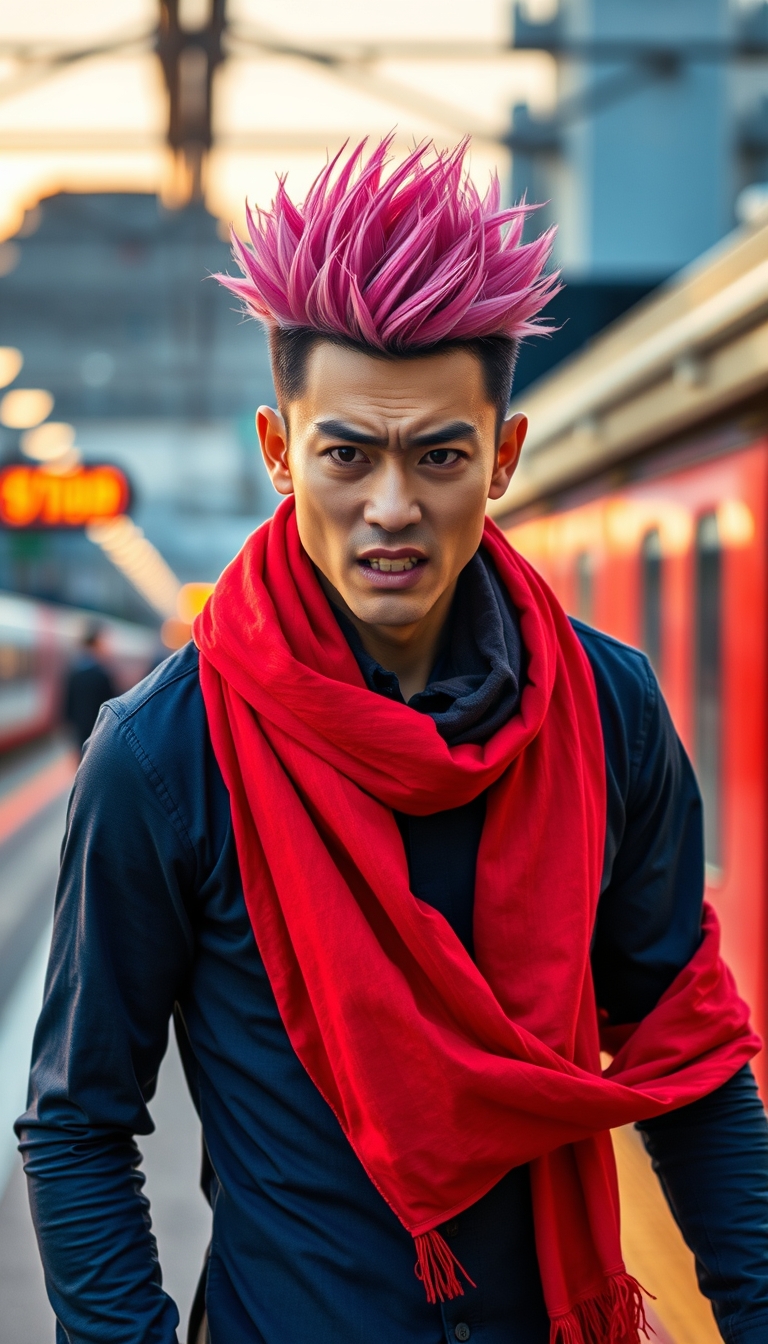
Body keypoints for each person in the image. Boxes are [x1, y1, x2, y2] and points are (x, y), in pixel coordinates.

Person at [17, 139, 768, 1344]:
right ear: (279, 451)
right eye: (346, 453)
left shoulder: (612, 713)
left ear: (503, 459)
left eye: (439, 456)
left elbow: (689, 1058)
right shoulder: (165, 754)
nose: (391, 507)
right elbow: (77, 1123)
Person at [62, 623, 116, 752]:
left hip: (79, 727)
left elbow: (68, 700)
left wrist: (67, 722)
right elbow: (109, 703)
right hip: (97, 728)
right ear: (96, 644)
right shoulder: (102, 674)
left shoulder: (74, 671)